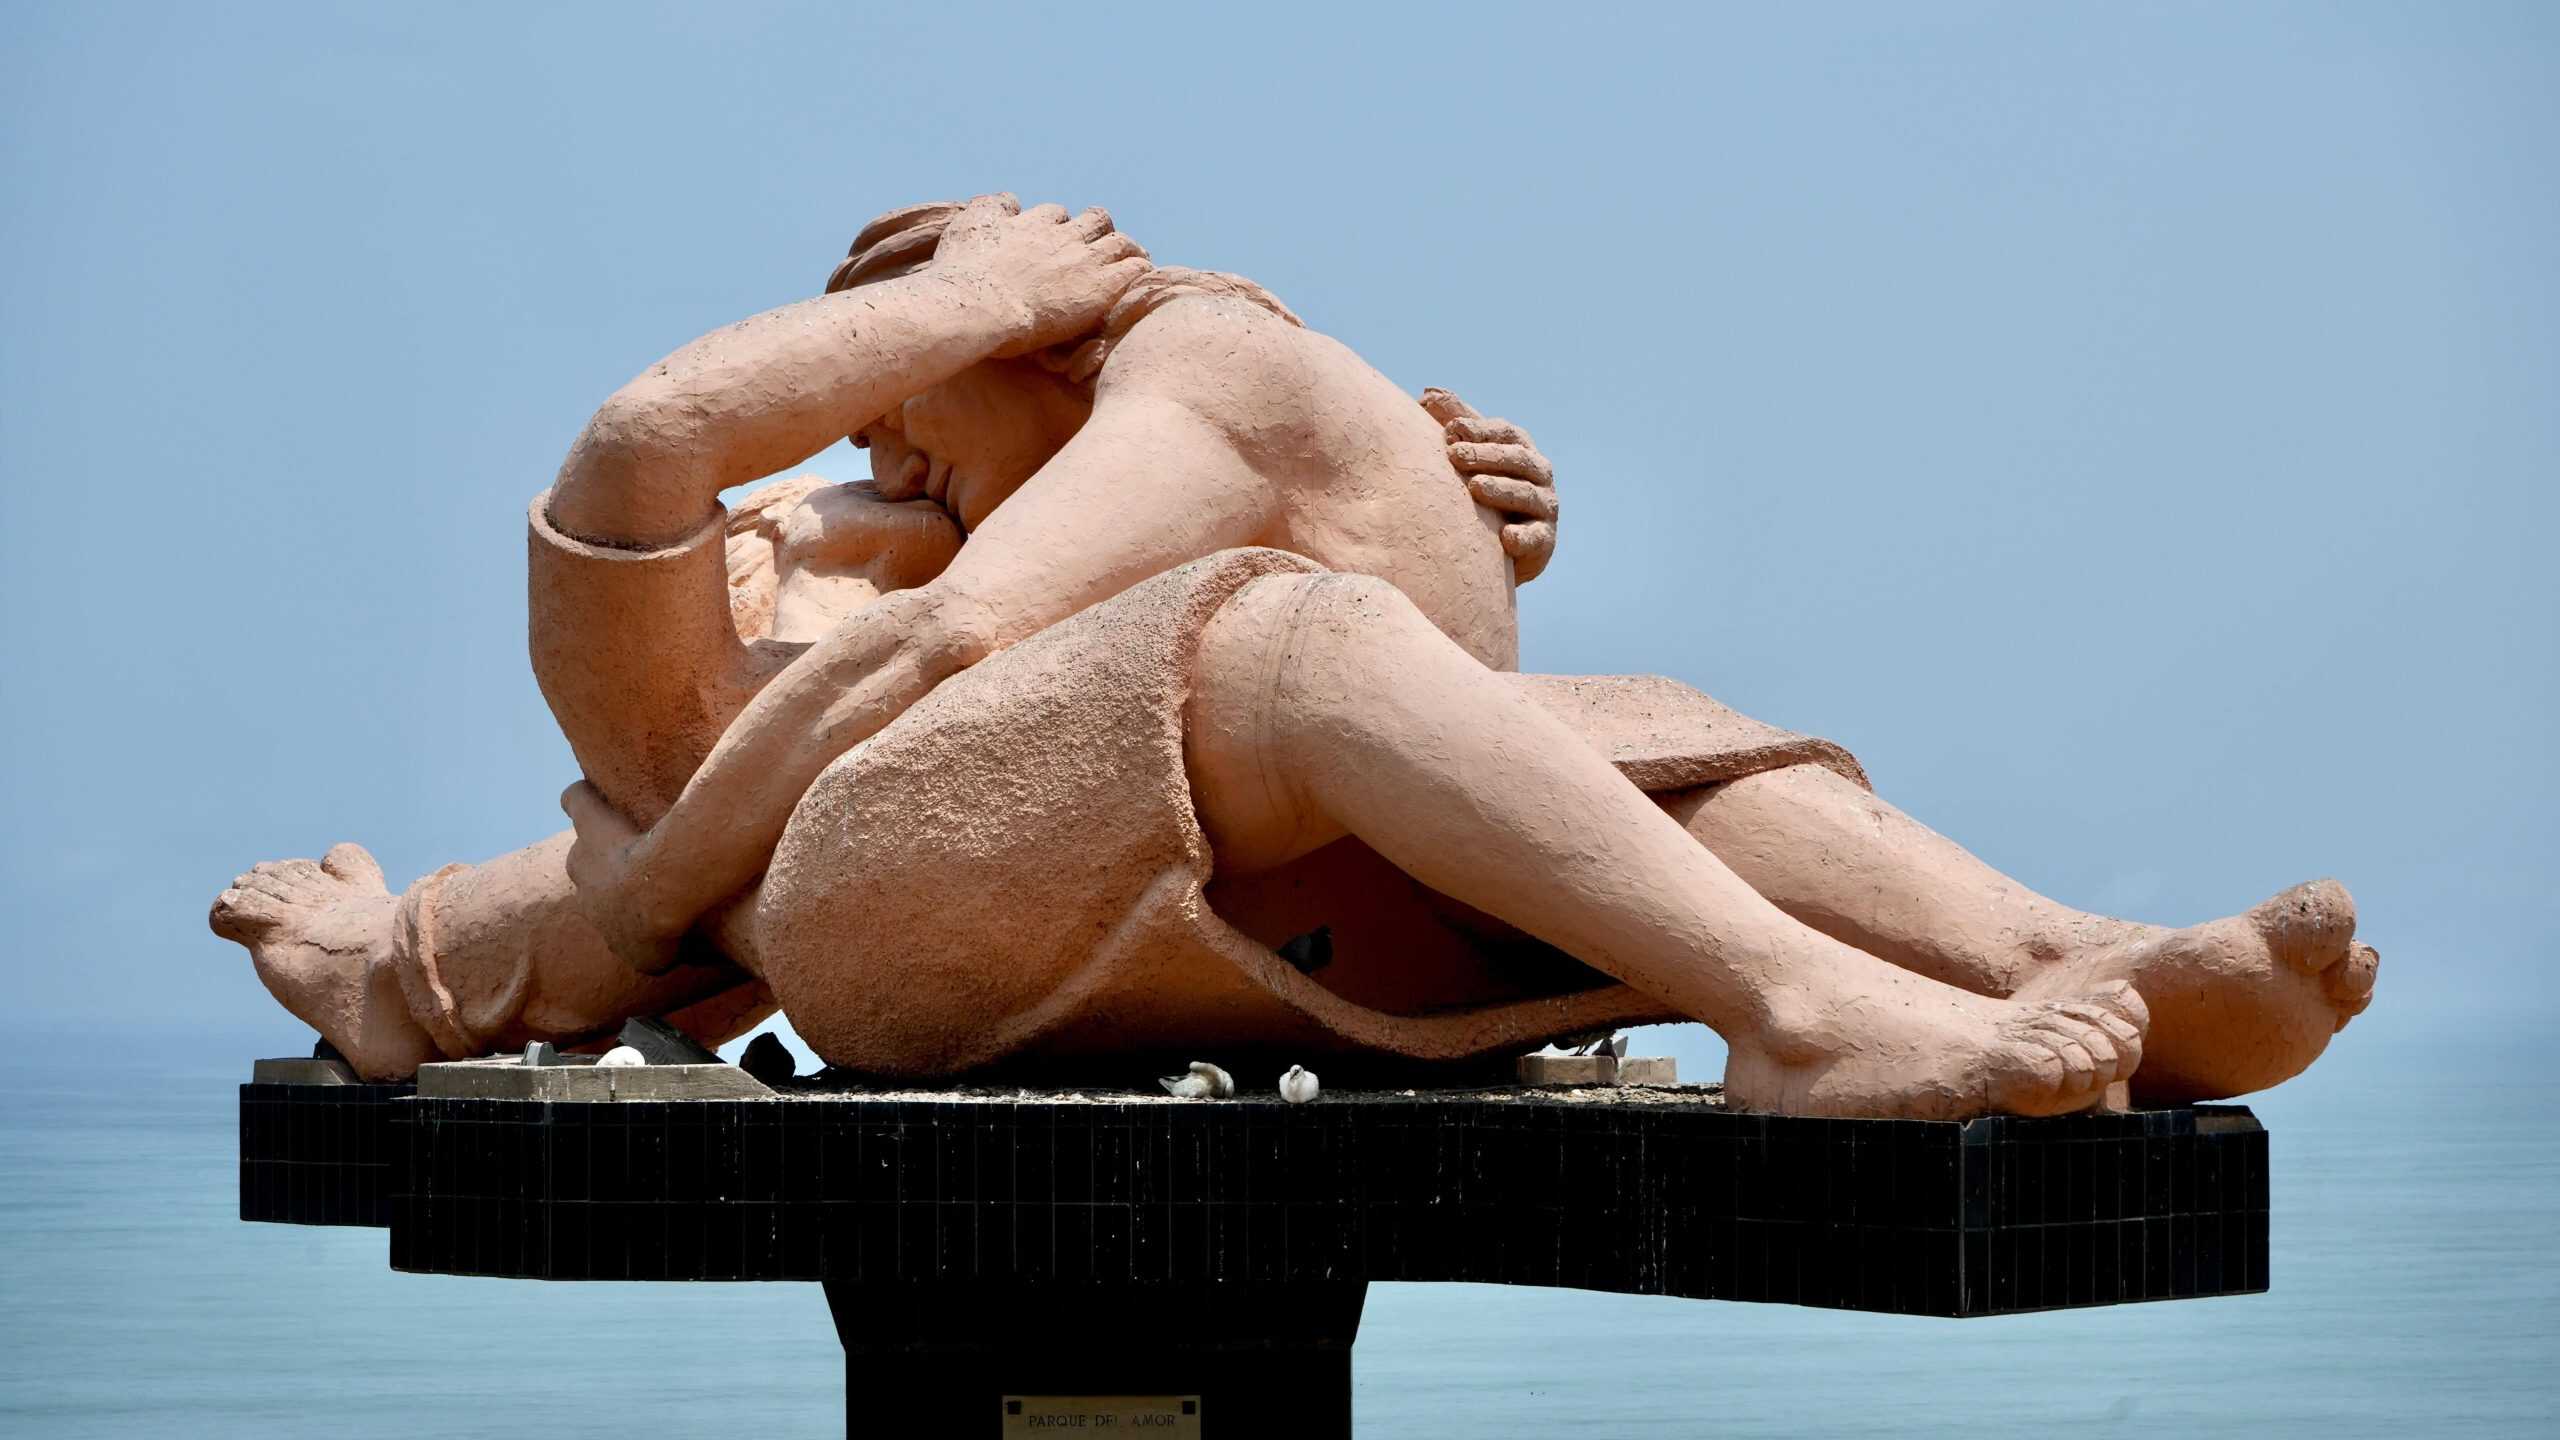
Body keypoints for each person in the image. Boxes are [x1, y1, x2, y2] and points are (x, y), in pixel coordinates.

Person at [219, 197, 2375, 1117]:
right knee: (1282, 640)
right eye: (878, 401)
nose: (887, 445)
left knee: (1645, 732)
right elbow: (643, 446)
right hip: (853, 913)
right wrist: (951, 309)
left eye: (913, 409)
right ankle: (1801, 1013)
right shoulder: (780, 556)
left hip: (1115, 886)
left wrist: (1441, 517)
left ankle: (2047, 956)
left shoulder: (1066, 504)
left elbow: (1275, 613)